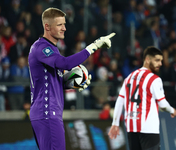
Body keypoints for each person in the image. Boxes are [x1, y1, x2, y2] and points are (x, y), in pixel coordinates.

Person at [28, 7, 115, 150]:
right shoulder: (42, 47)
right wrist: (94, 46)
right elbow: (66, 64)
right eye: (59, 25)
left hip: (45, 112)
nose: (64, 28)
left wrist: (71, 83)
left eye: (64, 24)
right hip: (47, 112)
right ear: (47, 27)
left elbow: (49, 82)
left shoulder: (50, 49)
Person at [108, 46, 176, 150]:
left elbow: (120, 100)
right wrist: (172, 110)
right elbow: (162, 105)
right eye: (157, 60)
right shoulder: (155, 79)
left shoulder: (129, 77)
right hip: (149, 129)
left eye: (161, 61)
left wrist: (115, 123)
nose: (160, 64)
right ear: (147, 59)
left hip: (131, 128)